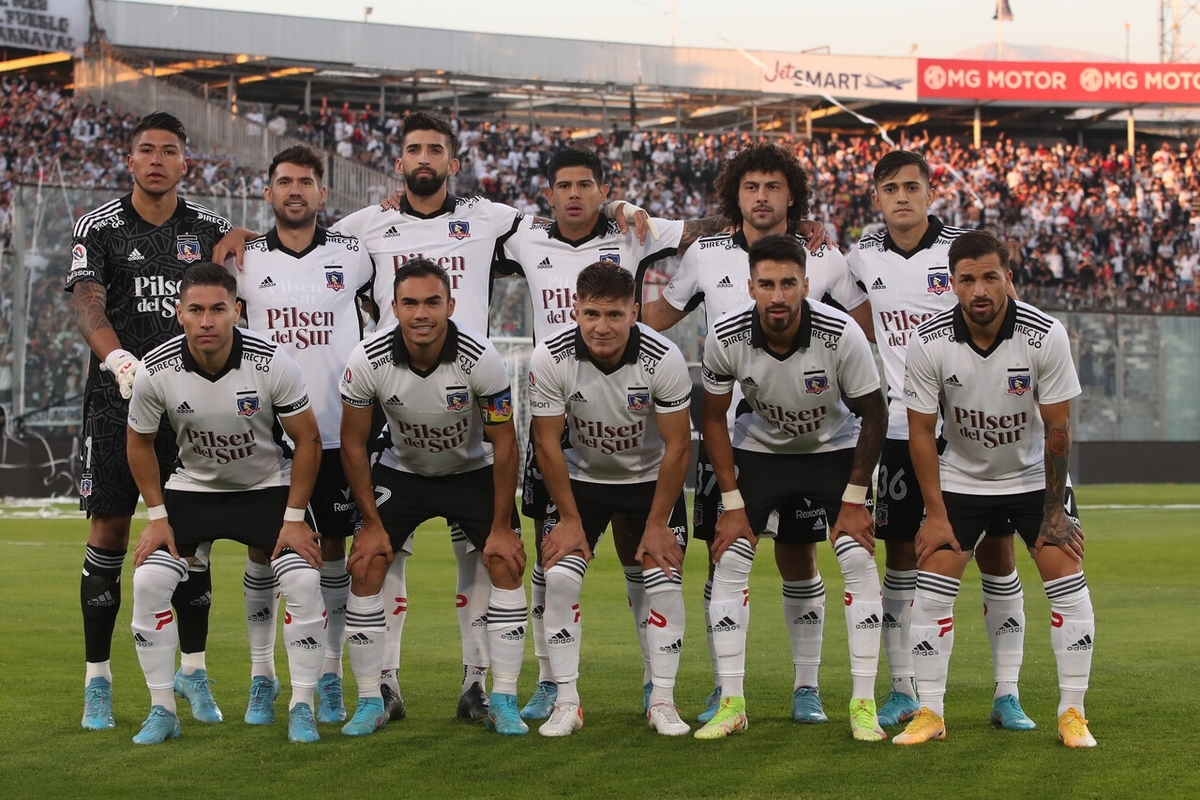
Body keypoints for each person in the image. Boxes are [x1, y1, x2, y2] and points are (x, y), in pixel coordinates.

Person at [642, 140, 871, 725]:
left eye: (773, 186)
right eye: (751, 186)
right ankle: (726, 690)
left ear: (791, 193)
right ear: (735, 194)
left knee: (800, 560)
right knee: (725, 557)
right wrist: (596, 316)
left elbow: (861, 322)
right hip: (738, 435)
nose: (762, 196)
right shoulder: (707, 251)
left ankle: (807, 688)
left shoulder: (822, 254)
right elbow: (660, 317)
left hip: (816, 429)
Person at [496, 146, 719, 721]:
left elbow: (713, 231)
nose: (574, 194)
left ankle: (658, 686)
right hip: (564, 419)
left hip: (633, 421)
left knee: (644, 558)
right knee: (553, 564)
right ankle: (552, 684)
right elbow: (449, 230)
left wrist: (802, 222)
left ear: (604, 190)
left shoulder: (634, 228)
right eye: (563, 185)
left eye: (587, 185)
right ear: (548, 194)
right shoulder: (525, 234)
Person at [846, 150, 1034, 731]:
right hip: (905, 431)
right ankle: (904, 688)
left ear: (931, 193)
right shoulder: (859, 258)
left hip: (973, 433)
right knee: (905, 555)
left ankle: (1008, 694)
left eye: (911, 187)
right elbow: (858, 321)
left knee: (997, 555)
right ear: (875, 198)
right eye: (889, 189)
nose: (900, 197)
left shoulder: (960, 254)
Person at [896, 229, 1095, 748]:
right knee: (930, 589)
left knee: (1066, 578)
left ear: (1008, 278)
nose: (979, 289)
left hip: (1032, 477)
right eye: (967, 279)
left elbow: (1057, 430)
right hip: (962, 478)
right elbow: (920, 431)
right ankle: (930, 712)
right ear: (952, 285)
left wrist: (1055, 511)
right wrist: (936, 515)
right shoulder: (929, 341)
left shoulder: (1044, 334)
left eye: (990, 276)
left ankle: (1072, 712)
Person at [66, 111, 231, 731]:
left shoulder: (210, 228)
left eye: (169, 150)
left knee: (193, 537)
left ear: (185, 162)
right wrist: (118, 359)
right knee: (108, 532)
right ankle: (98, 683)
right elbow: (86, 302)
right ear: (130, 160)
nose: (157, 159)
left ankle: (192, 670)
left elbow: (260, 258)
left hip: (194, 406)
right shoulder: (100, 226)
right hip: (118, 400)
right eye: (145, 150)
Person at [695, 235, 888, 740]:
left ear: (805, 284)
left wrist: (853, 500)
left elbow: (874, 415)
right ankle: (731, 702)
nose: (777, 296)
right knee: (730, 557)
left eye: (787, 284)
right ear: (750, 287)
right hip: (760, 451)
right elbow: (713, 419)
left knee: (856, 556)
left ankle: (862, 704)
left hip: (833, 450)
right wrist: (732, 503)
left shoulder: (841, 332)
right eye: (766, 285)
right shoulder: (724, 334)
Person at [125, 263, 325, 744]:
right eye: (196, 310)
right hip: (194, 488)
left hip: (265, 486)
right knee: (149, 580)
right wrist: (156, 517)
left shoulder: (273, 361)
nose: (207, 320)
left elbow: (309, 441)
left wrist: (295, 519)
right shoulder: (156, 369)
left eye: (218, 309)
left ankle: (301, 703)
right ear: (180, 314)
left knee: (303, 579)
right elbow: (138, 443)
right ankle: (163, 710)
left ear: (236, 311)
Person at [338, 259, 527, 736]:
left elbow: (505, 443)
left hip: (471, 471)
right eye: (410, 303)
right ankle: (372, 698)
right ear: (394, 307)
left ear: (450, 305)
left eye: (432, 302)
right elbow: (353, 444)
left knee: (504, 561)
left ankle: (496, 694)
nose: (421, 313)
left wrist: (502, 527)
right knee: (365, 562)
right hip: (404, 471)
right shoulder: (366, 359)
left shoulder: (482, 359)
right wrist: (369, 523)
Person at [234, 144, 374, 727]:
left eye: (306, 182)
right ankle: (262, 676)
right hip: (267, 434)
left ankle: (331, 676)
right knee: (263, 550)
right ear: (268, 193)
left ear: (323, 194)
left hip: (339, 430)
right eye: (284, 182)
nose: (295, 191)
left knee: (333, 553)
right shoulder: (242, 259)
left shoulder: (356, 253)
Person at [528, 262, 692, 738]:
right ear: (575, 309)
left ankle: (661, 699)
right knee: (557, 578)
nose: (602, 327)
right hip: (579, 479)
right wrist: (571, 520)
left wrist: (658, 523)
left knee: (662, 576)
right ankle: (567, 701)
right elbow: (546, 444)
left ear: (634, 312)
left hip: (648, 482)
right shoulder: (549, 357)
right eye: (593, 313)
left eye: (615, 315)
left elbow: (678, 446)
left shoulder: (664, 357)